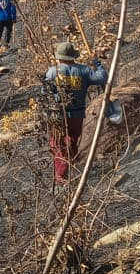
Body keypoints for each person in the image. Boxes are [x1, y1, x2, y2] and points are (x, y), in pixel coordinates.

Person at [41, 41, 108, 183]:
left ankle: (61, 173)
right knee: (71, 141)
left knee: (57, 142)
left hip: (57, 114)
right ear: (73, 56)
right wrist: (97, 63)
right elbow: (102, 77)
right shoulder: (84, 70)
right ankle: (66, 168)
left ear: (59, 57)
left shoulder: (53, 71)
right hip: (77, 114)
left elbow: (44, 92)